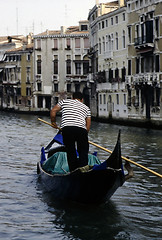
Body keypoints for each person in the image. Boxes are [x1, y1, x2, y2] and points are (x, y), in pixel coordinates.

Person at [50, 92, 91, 172]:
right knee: (83, 150)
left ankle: (73, 170)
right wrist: (85, 134)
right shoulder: (86, 108)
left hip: (67, 129)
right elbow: (88, 124)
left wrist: (53, 122)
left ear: (72, 98)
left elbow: (53, 111)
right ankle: (83, 168)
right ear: (82, 100)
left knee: (70, 150)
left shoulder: (65, 102)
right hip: (81, 130)